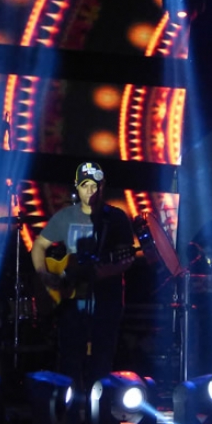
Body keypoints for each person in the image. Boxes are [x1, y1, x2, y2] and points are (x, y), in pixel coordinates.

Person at [29, 162, 137, 404]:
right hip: (71, 301)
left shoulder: (116, 218)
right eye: (85, 185)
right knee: (69, 358)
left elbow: (126, 258)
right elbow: (39, 246)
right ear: (77, 187)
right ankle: (69, 410)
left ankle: (97, 409)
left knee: (102, 358)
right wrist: (45, 275)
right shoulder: (66, 216)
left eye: (95, 186)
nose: (90, 191)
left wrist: (104, 272)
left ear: (103, 186)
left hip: (106, 300)